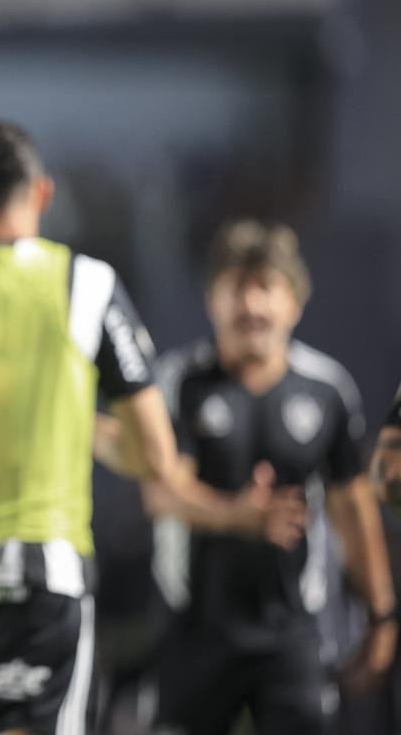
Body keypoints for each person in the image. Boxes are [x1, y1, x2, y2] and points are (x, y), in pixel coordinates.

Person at [0, 121, 303, 735]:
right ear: (42, 194)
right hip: (39, 570)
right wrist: (85, 429)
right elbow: (156, 454)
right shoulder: (85, 284)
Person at [152, 220, 396, 735]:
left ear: (295, 302)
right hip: (197, 627)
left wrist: (382, 614)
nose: (252, 306)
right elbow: (160, 492)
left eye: (267, 288)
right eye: (237, 287)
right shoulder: (180, 382)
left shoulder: (327, 390)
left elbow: (353, 505)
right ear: (211, 299)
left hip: (292, 634)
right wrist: (234, 516)